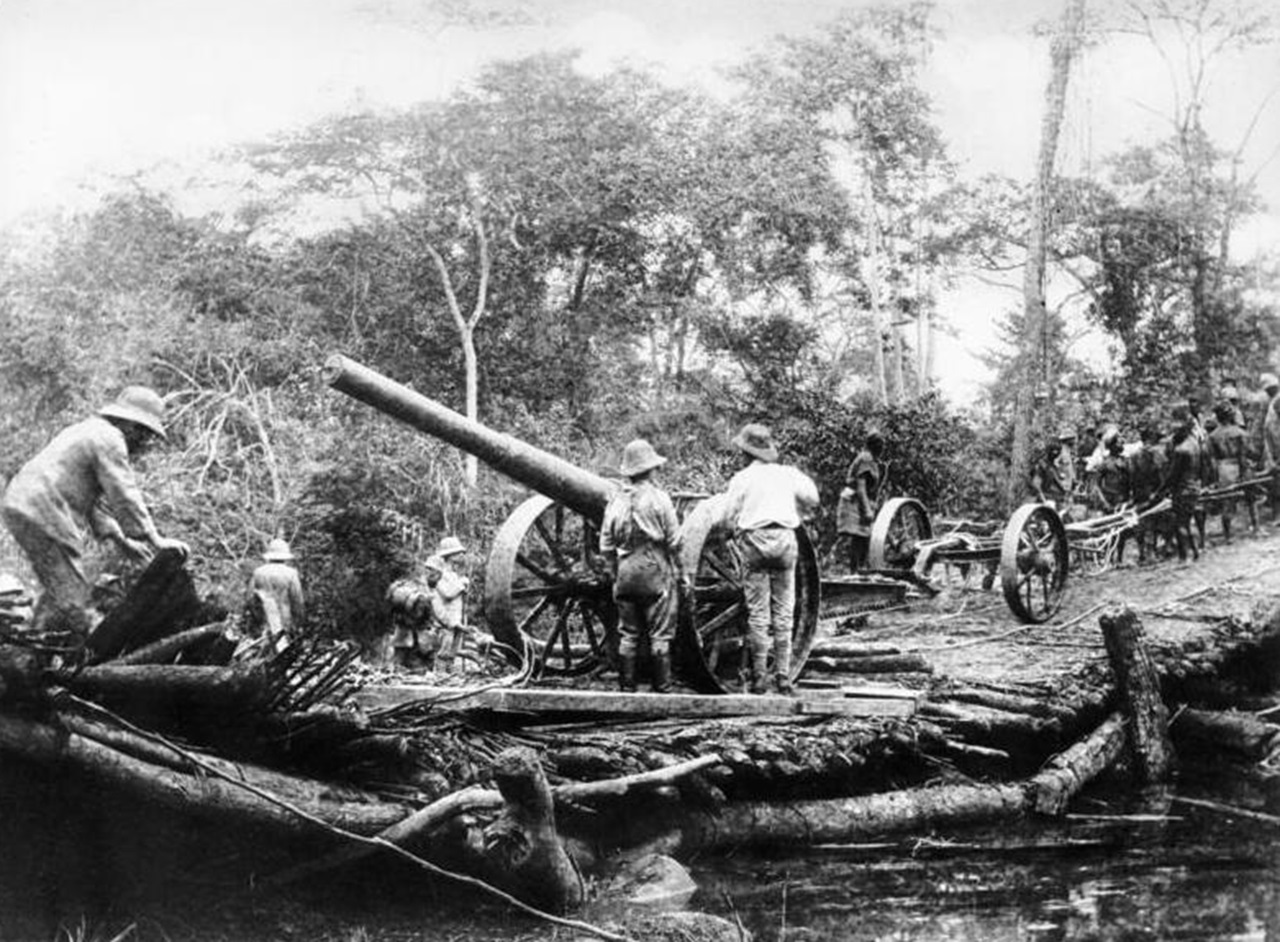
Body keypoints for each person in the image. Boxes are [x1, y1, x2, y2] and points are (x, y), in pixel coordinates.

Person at [1, 386, 189, 640]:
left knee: (59, 580)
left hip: (23, 502)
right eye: (144, 433)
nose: (144, 441)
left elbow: (92, 502)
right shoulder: (110, 438)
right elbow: (124, 493)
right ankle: (93, 647)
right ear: (131, 424)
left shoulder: (89, 430)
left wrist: (122, 539)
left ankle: (36, 646)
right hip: (43, 507)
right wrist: (154, 538)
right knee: (73, 589)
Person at [724, 423, 819, 695]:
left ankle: (759, 678)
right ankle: (784, 676)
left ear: (746, 452)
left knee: (757, 613)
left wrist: (734, 530)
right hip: (785, 541)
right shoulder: (788, 475)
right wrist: (796, 508)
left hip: (755, 542)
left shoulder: (741, 478)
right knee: (784, 611)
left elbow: (729, 514)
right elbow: (813, 497)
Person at [599, 439, 683, 693]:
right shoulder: (660, 499)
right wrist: (679, 572)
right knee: (660, 633)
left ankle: (627, 687)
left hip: (625, 571)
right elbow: (675, 541)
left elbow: (605, 546)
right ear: (651, 470)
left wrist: (615, 573)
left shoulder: (615, 503)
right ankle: (663, 687)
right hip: (654, 569)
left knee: (629, 633)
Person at [834, 430, 884, 572]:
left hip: (858, 501)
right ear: (874, 445)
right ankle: (855, 572)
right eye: (880, 445)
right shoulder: (866, 459)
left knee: (862, 540)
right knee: (858, 539)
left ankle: (859, 571)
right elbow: (861, 487)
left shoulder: (869, 459)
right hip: (855, 503)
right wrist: (867, 510)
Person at [246, 538, 305, 654]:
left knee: (261, 652)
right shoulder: (291, 573)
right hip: (283, 618)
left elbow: (249, 598)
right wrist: (299, 622)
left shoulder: (258, 572)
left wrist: (254, 617)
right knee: (281, 650)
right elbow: (297, 600)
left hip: (262, 619)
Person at [1158, 408, 1202, 562]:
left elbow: (1173, 475)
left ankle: (1184, 556)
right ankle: (1195, 552)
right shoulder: (1195, 444)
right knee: (1188, 521)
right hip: (1194, 486)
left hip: (1182, 489)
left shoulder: (1180, 450)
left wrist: (1161, 490)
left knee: (1180, 524)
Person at [387, 557, 444, 670]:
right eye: (439, 577)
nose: (438, 581)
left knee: (399, 669)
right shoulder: (420, 592)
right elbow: (419, 617)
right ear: (433, 573)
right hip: (416, 643)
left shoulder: (409, 585)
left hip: (402, 639)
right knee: (416, 673)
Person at [1209, 401, 1252, 541]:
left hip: (1223, 468)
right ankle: (1256, 527)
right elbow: (1243, 455)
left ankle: (1227, 535)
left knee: (1226, 501)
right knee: (1250, 496)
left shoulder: (1213, 436)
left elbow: (1212, 460)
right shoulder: (1240, 433)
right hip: (1237, 465)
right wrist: (1245, 471)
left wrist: (1215, 478)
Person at [429, 536, 472, 675]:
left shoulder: (453, 575)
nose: (461, 555)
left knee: (455, 651)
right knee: (444, 651)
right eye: (457, 553)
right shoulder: (441, 575)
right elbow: (447, 593)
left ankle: (452, 675)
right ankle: (440, 675)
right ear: (449, 555)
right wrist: (462, 584)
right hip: (446, 623)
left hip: (456, 622)